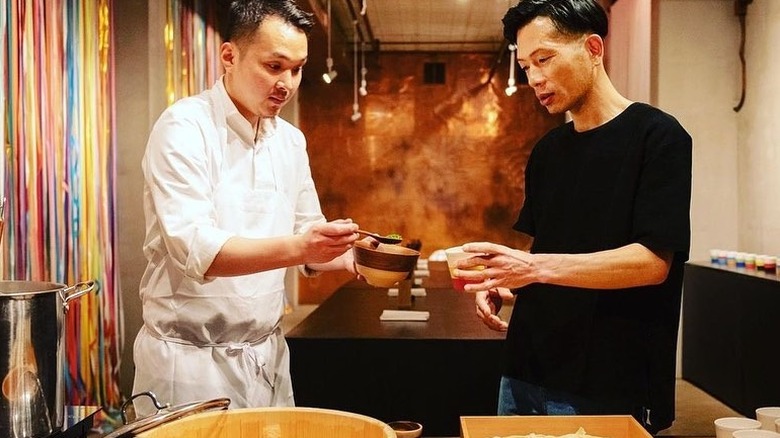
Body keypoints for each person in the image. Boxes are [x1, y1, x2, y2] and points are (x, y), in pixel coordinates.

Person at [453, 0, 692, 433]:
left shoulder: (658, 136)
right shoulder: (548, 151)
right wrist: (508, 279)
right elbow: (544, 251)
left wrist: (532, 268)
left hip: (607, 376)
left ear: (593, 48)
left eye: (544, 59)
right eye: (525, 66)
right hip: (525, 364)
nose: (535, 78)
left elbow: (652, 263)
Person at [132, 0, 360, 415]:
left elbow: (308, 230)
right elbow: (199, 251)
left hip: (267, 355)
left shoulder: (290, 141)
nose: (287, 83)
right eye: (274, 66)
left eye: (297, 68)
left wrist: (354, 254)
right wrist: (303, 248)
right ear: (229, 56)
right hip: (189, 363)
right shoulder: (184, 126)